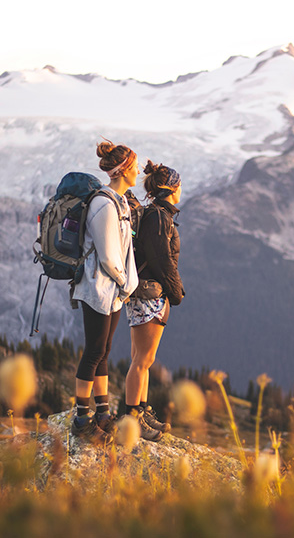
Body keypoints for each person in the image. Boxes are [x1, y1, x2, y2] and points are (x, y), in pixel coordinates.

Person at [70, 141, 139, 442]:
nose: (138, 171)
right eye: (134, 166)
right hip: (97, 289)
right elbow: (110, 256)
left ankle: (102, 411)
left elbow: (125, 250)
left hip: (112, 291)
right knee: (94, 351)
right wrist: (126, 283)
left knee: (105, 351)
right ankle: (81, 418)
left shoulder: (120, 202)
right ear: (123, 171)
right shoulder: (104, 204)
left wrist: (126, 285)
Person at [124, 160, 185, 441]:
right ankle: (132, 418)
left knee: (142, 359)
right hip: (150, 293)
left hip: (141, 291)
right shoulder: (160, 217)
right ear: (172, 188)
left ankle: (142, 411)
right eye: (179, 185)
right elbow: (163, 260)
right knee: (142, 360)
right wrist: (176, 292)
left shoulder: (154, 214)